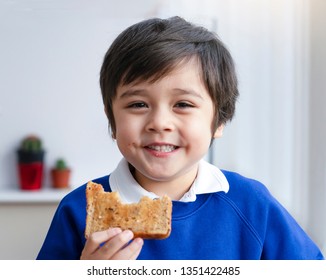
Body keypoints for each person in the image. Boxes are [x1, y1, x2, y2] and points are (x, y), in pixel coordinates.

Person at [37, 16, 324, 260]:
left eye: (183, 104)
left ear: (219, 120)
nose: (159, 123)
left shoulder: (251, 204)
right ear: (112, 120)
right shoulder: (78, 212)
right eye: (138, 104)